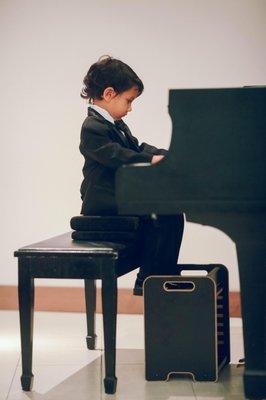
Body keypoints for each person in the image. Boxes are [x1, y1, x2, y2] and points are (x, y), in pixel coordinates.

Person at [78, 55, 184, 295]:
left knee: (171, 212)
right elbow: (117, 156)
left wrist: (165, 154)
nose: (130, 107)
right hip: (103, 201)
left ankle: (158, 274)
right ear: (108, 94)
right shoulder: (92, 127)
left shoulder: (116, 124)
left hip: (119, 197)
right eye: (129, 100)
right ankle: (149, 279)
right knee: (164, 213)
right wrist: (151, 160)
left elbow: (136, 148)